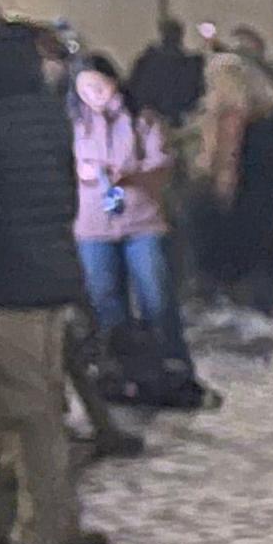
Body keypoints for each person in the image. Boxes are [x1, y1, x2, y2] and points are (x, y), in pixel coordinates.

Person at [0, 23, 105, 544]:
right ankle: (52, 523)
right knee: (38, 404)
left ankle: (42, 531)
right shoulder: (41, 109)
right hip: (43, 275)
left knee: (27, 408)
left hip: (8, 281)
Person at [69, 53, 193, 395]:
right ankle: (117, 367)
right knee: (104, 298)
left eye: (99, 85)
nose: (94, 94)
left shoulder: (143, 119)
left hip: (142, 222)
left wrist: (133, 175)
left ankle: (171, 365)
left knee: (156, 295)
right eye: (85, 88)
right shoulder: (73, 124)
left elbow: (164, 163)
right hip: (92, 225)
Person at [191, 31, 273, 340]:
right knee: (259, 245)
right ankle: (259, 309)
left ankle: (235, 307)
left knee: (230, 247)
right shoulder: (268, 110)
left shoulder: (232, 115)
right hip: (264, 192)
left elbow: (227, 157)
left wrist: (219, 179)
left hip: (242, 194)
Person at [124, 16, 205, 125]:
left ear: (162, 34)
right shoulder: (192, 64)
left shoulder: (146, 61)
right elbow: (198, 93)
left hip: (150, 120)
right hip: (179, 121)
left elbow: (133, 91)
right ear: (181, 35)